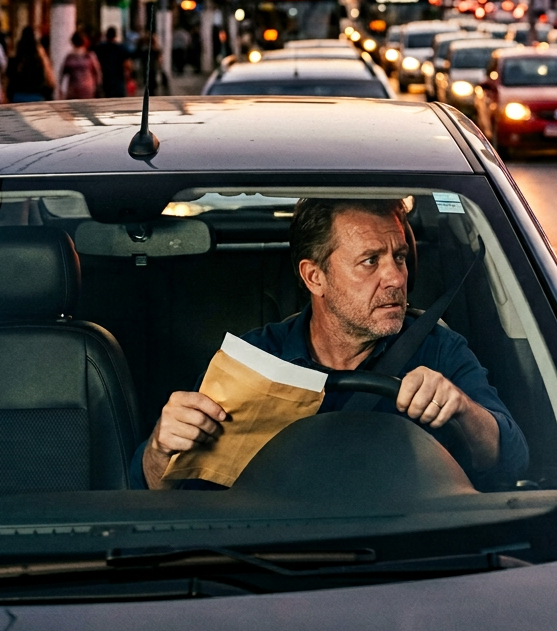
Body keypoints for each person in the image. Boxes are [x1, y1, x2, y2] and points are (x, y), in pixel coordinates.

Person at [134, 197, 529, 492]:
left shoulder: (440, 350)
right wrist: (160, 448)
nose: (396, 278)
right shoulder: (252, 363)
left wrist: (460, 408)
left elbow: (511, 461)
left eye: (401, 257)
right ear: (314, 277)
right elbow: (153, 493)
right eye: (370, 261)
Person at [6, 26, 54, 102]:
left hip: (18, 96)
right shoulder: (38, 55)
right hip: (36, 95)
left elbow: (9, 76)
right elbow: (50, 77)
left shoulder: (17, 56)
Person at [59, 30, 102, 100]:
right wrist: (98, 86)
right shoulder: (89, 55)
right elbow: (97, 72)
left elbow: (62, 73)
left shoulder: (70, 57)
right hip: (88, 88)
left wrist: (60, 88)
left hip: (73, 89)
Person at [93, 26, 127, 98]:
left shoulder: (100, 48)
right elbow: (127, 64)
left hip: (105, 78)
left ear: (106, 35)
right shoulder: (121, 48)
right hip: (118, 79)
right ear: (115, 35)